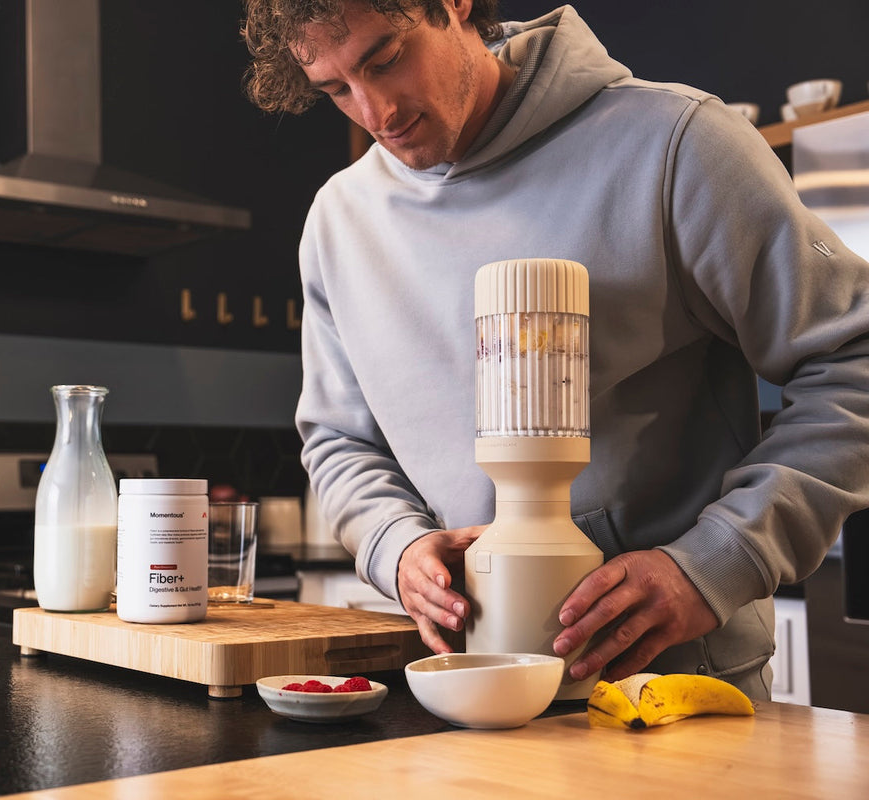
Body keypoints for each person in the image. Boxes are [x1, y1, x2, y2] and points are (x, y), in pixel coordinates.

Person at [240, 0, 869, 699]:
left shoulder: (675, 144)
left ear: (456, 6)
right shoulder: (338, 221)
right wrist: (397, 545)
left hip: (676, 684)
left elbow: (852, 362)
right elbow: (338, 439)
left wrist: (717, 560)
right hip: (473, 685)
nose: (375, 111)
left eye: (385, 60)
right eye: (335, 90)